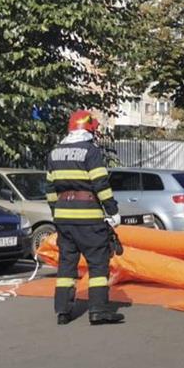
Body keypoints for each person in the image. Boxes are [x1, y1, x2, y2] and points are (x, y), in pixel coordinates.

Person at [45, 110, 124, 326]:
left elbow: (50, 188)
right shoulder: (91, 152)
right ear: (89, 128)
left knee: (66, 266)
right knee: (98, 264)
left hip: (63, 218)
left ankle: (62, 311)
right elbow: (100, 183)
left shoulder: (54, 153)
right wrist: (112, 210)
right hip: (88, 218)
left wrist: (57, 211)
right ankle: (98, 311)